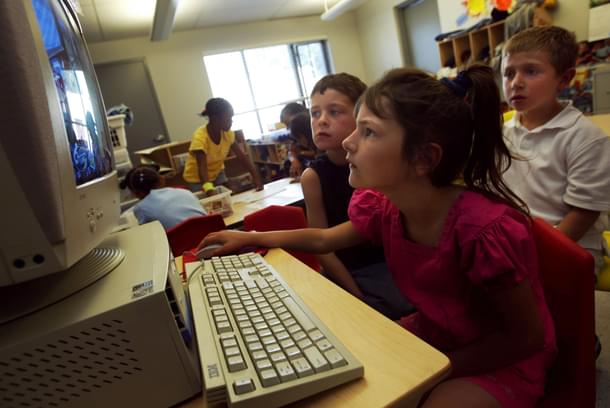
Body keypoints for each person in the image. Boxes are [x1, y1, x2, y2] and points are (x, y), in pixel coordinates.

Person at [199, 65, 557, 407]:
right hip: (439, 335)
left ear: (422, 159)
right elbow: (324, 240)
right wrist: (253, 238)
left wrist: (433, 369)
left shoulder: (482, 231)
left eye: (367, 131)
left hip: (498, 360)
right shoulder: (387, 208)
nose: (350, 141)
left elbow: (525, 338)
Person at [501, 25, 610, 275]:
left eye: (530, 71)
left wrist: (537, 257)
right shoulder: (503, 132)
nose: (516, 83)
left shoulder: (586, 138)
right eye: (508, 73)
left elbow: (583, 213)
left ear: (563, 79)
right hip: (519, 244)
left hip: (570, 247)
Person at [305, 73, 412, 319]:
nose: (321, 121)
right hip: (350, 274)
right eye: (315, 113)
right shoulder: (313, 177)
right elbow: (322, 249)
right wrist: (355, 295)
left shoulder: (380, 162)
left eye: (334, 112)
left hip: (394, 267)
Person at [182, 97, 263, 195]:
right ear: (215, 118)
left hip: (217, 174)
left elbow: (242, 157)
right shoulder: (200, 136)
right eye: (228, 117)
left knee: (229, 194)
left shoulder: (228, 134)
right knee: (210, 202)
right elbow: (202, 168)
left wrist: (256, 176)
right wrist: (209, 190)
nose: (231, 121)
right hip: (197, 178)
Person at [120, 166, 205, 230]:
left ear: (135, 192)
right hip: (209, 237)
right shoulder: (185, 192)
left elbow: (147, 234)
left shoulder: (141, 208)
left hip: (180, 247)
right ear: (161, 180)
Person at [286, 112, 319, 178]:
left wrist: (302, 153)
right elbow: (290, 152)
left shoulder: (319, 141)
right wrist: (294, 160)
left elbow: (317, 154)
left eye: (299, 138)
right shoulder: (296, 139)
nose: (299, 142)